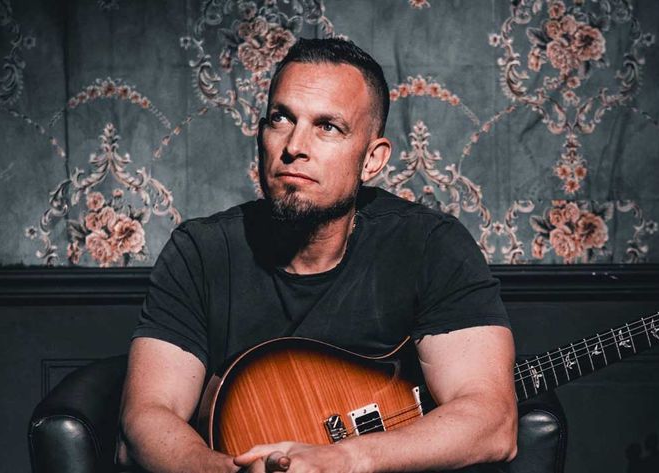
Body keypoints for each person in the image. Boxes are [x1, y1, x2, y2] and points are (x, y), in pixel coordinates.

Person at [119, 38, 518, 473]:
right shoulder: (201, 251)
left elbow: (491, 421)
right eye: (281, 118)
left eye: (328, 127)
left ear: (371, 160)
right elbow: (146, 418)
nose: (294, 146)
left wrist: (338, 461)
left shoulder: (431, 245)